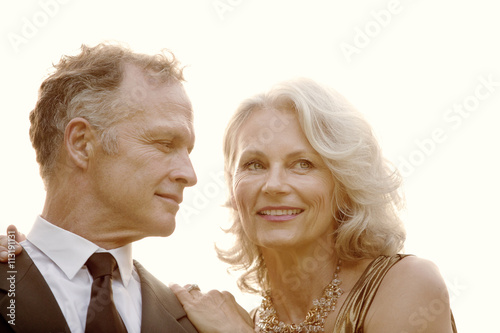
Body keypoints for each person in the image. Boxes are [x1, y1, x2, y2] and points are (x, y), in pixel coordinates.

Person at [169, 78, 458, 332]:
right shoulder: (247, 320)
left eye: (303, 164)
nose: (274, 185)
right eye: (254, 165)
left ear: (345, 185)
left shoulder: (406, 284)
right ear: (233, 187)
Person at [0, 43, 199, 333]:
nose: (190, 175)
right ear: (81, 144)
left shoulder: (195, 321)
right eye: (165, 144)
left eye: (188, 151)